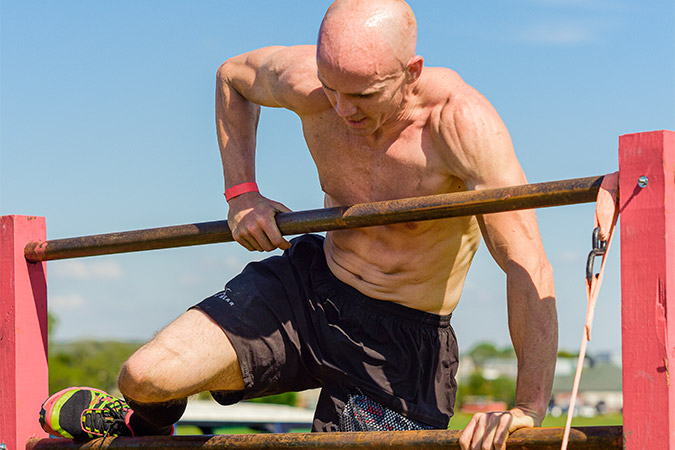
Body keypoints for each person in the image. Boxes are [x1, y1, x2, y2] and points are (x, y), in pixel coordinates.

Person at [38, 1, 558, 449]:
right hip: (308, 289)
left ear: (412, 71)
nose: (341, 108)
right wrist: (242, 192)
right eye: (332, 88)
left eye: (364, 94)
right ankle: (141, 423)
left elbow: (525, 262)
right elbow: (231, 77)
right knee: (146, 377)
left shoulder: (460, 126)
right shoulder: (307, 83)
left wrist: (528, 407)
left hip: (400, 342)